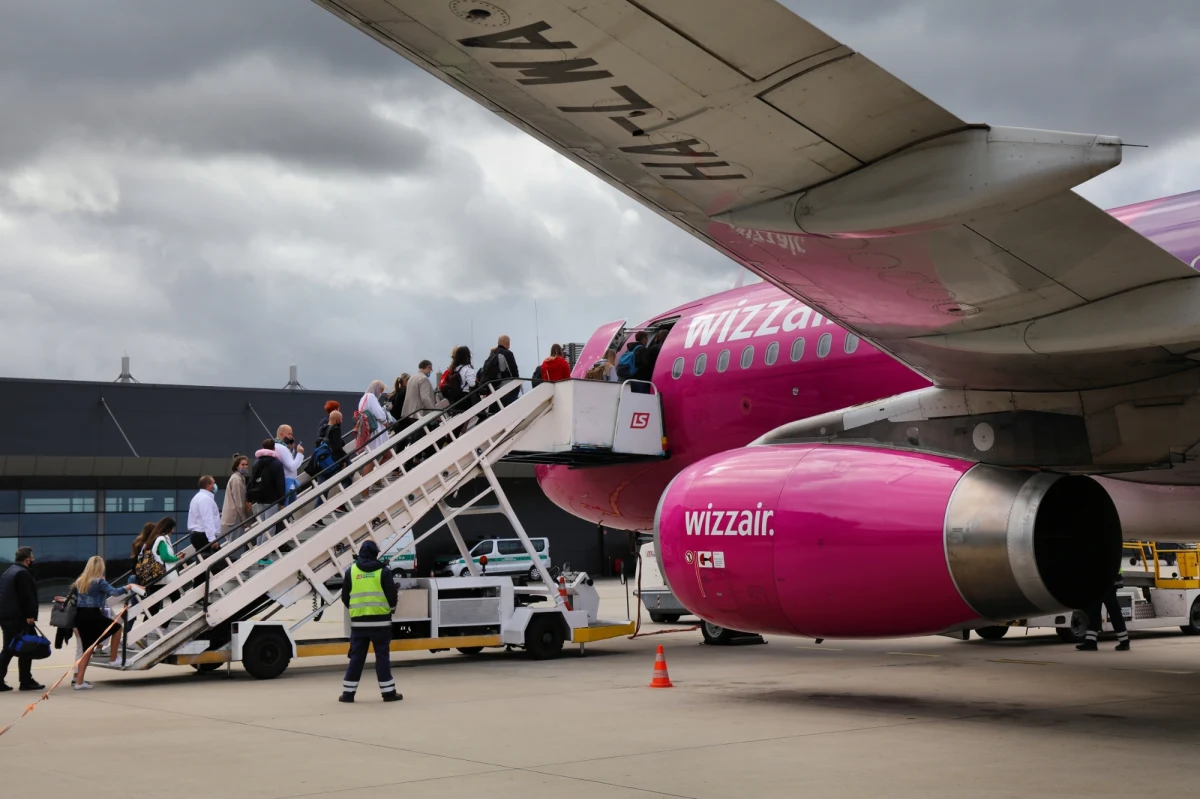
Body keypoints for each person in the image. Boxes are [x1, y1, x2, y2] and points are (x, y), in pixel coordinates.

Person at [339, 540, 400, 703]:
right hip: (381, 623)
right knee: (382, 657)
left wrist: (356, 611)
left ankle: (348, 694)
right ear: (375, 554)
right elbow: (392, 596)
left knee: (356, 658)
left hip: (359, 624)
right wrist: (391, 609)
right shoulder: (384, 572)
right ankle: (388, 693)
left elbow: (345, 597)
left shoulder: (350, 572)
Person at [71, 556, 134, 689]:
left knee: (87, 649)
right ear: (100, 567)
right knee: (117, 628)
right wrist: (128, 586)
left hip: (81, 616)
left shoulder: (80, 581)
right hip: (93, 615)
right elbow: (114, 592)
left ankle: (79, 682)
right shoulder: (99, 581)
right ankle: (113, 659)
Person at [0, 546, 42, 692]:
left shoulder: (9, 571)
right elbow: (26, 597)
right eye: (32, 558)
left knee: (9, 649)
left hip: (7, 617)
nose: (33, 560)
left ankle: (24, 679)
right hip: (19, 618)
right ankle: (25, 681)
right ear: (27, 560)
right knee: (25, 648)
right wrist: (30, 616)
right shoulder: (23, 573)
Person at [247, 439, 287, 549]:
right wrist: (282, 501)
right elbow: (280, 483)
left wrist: (249, 498)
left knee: (262, 525)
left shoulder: (256, 463)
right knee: (270, 526)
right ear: (274, 448)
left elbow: (251, 481)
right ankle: (264, 554)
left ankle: (259, 549)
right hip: (272, 499)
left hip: (259, 498)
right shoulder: (277, 463)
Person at [1078, 570, 1131, 651]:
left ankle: (1091, 642)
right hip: (1107, 579)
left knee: (1096, 612)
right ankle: (1124, 641)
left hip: (1102, 580)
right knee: (1112, 611)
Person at [479, 335, 519, 406]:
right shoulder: (507, 353)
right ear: (508, 343)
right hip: (506, 388)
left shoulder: (492, 354)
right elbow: (513, 372)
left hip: (494, 388)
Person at [187, 475, 221, 558]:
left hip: (200, 535)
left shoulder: (199, 497)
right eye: (214, 483)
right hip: (203, 535)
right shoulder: (205, 499)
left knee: (203, 561)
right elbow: (207, 519)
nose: (215, 485)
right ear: (208, 485)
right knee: (215, 561)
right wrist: (212, 539)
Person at [221, 455, 253, 538]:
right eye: (242, 464)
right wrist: (244, 519)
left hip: (235, 516)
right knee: (236, 543)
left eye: (246, 464)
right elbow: (239, 502)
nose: (245, 466)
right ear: (236, 466)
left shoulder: (239, 477)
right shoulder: (237, 480)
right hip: (235, 516)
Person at [274, 425, 305, 505]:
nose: (291, 437)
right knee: (289, 508)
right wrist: (300, 454)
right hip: (287, 483)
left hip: (284, 482)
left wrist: (291, 449)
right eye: (289, 434)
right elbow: (292, 467)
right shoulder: (282, 448)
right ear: (281, 434)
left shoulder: (277, 446)